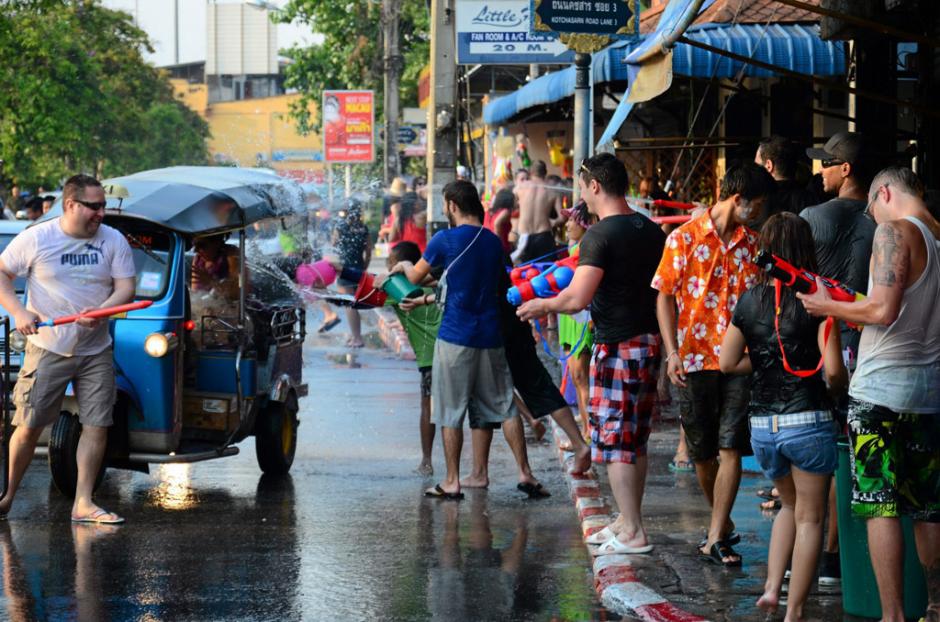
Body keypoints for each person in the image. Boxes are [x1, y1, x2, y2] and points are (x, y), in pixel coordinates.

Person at [798, 167, 940, 622]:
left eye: (871, 210)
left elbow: (883, 308)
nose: (872, 219)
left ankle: (893, 615)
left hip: (880, 393)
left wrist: (828, 306)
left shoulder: (895, 231)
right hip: (930, 393)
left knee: (880, 505)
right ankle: (935, 607)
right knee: (929, 507)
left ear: (883, 193)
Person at [519, 153, 666, 555]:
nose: (580, 193)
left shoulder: (600, 236)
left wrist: (541, 304)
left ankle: (633, 530)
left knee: (617, 441)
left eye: (582, 186)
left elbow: (577, 297)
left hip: (618, 344)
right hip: (650, 341)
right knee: (634, 438)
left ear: (595, 186)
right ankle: (626, 518)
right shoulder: (651, 230)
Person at [719, 212, 847, 619]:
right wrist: (841, 388)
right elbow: (831, 371)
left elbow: (725, 362)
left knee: (789, 508)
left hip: (762, 428)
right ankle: (794, 612)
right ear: (807, 249)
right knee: (811, 518)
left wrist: (768, 360)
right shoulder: (819, 298)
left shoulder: (749, 298)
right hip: (808, 422)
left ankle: (773, 588)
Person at [653, 162, 775, 566]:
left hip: (738, 362)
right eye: (755, 205)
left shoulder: (755, 245)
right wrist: (671, 353)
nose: (757, 213)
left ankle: (716, 536)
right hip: (691, 358)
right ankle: (719, 525)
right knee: (703, 452)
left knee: (730, 447)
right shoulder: (683, 239)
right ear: (738, 200)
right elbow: (664, 297)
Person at [0, 174, 136, 523]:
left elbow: (126, 289)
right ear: (71, 204)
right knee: (28, 425)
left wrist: (103, 309)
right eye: (94, 206)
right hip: (48, 347)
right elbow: (2, 272)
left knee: (97, 424)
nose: (101, 214)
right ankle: (7, 496)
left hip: (95, 350)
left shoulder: (113, 241)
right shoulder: (37, 237)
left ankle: (84, 503)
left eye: (103, 206)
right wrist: (19, 311)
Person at [392, 180, 516, 500]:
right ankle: (494, 473)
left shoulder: (443, 239)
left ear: (451, 205)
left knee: (449, 412)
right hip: (490, 336)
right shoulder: (492, 242)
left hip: (455, 336)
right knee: (497, 407)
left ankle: (451, 480)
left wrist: (403, 266)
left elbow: (415, 278)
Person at [801, 131, 876, 582]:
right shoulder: (885, 222)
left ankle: (825, 552)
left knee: (823, 450)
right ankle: (839, 551)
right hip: (870, 341)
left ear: (845, 169)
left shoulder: (811, 217)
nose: (820, 170)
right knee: (857, 449)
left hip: (824, 340)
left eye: (826, 163)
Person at [557, 200, 594, 440]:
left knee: (582, 378)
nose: (568, 224)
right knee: (576, 377)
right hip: (569, 318)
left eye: (572, 219)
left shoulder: (589, 250)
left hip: (582, 318)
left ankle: (589, 435)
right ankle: (585, 433)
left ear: (585, 224)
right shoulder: (573, 250)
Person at [331, 200, 371, 347]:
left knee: (349, 304)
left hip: (344, 269)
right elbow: (369, 253)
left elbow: (334, 246)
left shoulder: (340, 226)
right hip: (359, 268)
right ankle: (356, 336)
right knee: (353, 303)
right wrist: (363, 268)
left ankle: (357, 338)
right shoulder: (363, 228)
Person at [755, 135, 817, 224]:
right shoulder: (811, 199)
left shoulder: (757, 203)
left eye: (757, 165)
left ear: (769, 165)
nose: (755, 170)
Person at [512, 160, 564, 264]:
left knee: (524, 273)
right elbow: (562, 218)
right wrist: (554, 222)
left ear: (530, 172)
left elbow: (513, 209)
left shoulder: (520, 187)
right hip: (544, 235)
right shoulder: (552, 190)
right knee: (546, 273)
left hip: (524, 236)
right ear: (545, 173)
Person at [191, 234, 240, 300]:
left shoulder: (232, 255)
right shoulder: (198, 259)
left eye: (201, 245)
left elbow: (238, 294)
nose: (195, 250)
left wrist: (212, 281)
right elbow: (195, 293)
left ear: (217, 243)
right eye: (194, 245)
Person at [484, 188, 514, 259]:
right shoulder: (505, 211)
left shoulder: (488, 212)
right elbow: (497, 224)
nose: (517, 201)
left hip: (487, 248)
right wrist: (498, 247)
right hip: (500, 250)